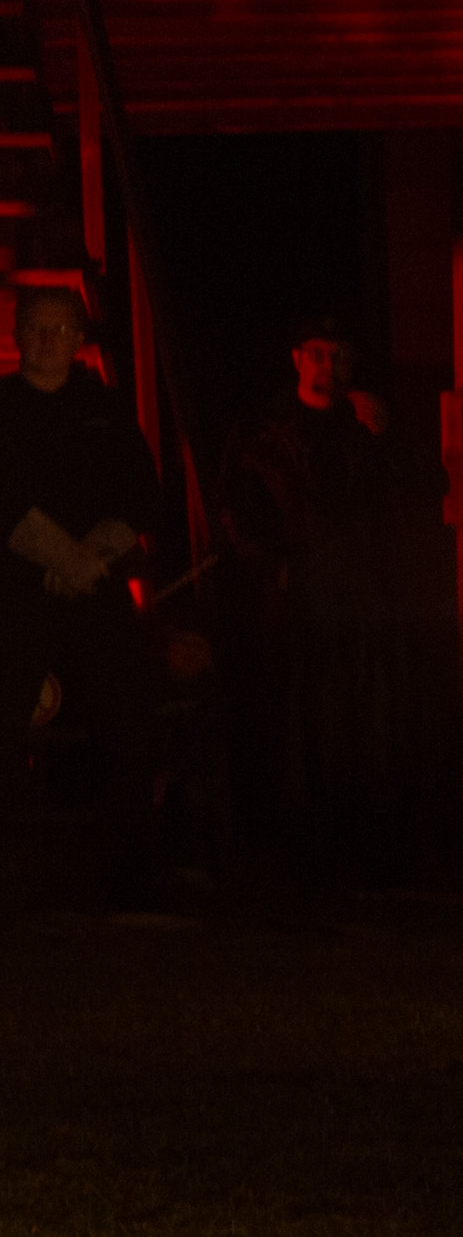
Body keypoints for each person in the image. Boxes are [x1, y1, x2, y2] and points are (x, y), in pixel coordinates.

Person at [0, 283, 161, 851]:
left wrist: (89, 559)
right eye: (37, 328)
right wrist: (64, 557)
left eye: (61, 329)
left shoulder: (106, 410)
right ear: (18, 335)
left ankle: (132, 871)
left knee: (130, 726)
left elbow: (141, 494)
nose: (48, 340)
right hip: (16, 597)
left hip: (97, 594)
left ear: (78, 338)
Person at [217, 309, 406, 881]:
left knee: (361, 716)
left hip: (358, 598)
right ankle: (301, 848)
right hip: (296, 594)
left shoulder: (363, 427)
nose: (328, 365)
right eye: (318, 354)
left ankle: (363, 846)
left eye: (338, 355)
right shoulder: (264, 430)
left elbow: (404, 499)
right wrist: (274, 569)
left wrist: (382, 440)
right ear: (298, 359)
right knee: (298, 716)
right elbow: (234, 507)